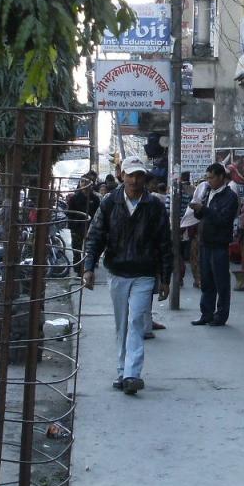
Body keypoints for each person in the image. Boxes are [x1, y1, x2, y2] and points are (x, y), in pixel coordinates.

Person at [82, 156, 173, 395]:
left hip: (144, 273)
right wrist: (88, 268)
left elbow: (165, 243)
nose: (134, 180)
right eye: (130, 175)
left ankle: (132, 374)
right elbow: (96, 236)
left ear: (144, 178)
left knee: (136, 321)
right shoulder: (109, 202)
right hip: (117, 272)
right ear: (122, 176)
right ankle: (122, 371)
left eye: (139, 175)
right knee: (122, 324)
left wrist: (166, 278)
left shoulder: (154, 206)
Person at [191, 162, 239, 326]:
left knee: (221, 282)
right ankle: (206, 313)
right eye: (207, 178)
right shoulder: (207, 192)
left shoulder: (230, 196)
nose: (209, 181)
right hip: (205, 242)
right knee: (206, 281)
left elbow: (223, 219)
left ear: (220, 177)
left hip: (219, 244)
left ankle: (221, 315)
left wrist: (204, 209)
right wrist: (197, 209)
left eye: (211, 178)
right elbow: (202, 216)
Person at [65, 176, 97, 274]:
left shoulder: (95, 198)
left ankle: (88, 269)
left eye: (86, 182)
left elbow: (98, 214)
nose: (84, 184)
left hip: (90, 228)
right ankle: (78, 269)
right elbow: (69, 213)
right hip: (77, 227)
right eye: (82, 181)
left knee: (90, 250)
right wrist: (75, 222)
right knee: (77, 249)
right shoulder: (74, 198)